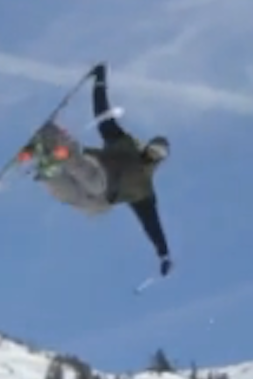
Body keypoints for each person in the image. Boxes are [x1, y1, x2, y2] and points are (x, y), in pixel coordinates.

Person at [27, 63, 173, 277]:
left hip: (102, 200)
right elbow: (103, 115)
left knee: (84, 202)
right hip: (98, 171)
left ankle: (50, 173)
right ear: (148, 145)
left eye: (158, 155)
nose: (152, 155)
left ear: (160, 160)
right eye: (153, 149)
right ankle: (52, 139)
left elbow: (152, 225)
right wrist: (100, 82)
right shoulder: (126, 144)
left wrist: (163, 253)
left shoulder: (145, 191)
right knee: (92, 180)